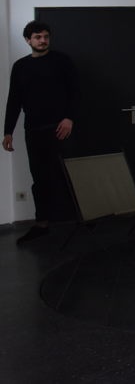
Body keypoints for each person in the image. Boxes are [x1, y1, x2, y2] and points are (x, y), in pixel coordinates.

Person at [3, 21, 78, 245]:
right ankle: (41, 224)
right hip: (34, 131)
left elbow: (75, 92)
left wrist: (69, 118)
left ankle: (83, 219)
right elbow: (14, 100)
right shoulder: (20, 66)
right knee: (39, 178)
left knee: (69, 174)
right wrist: (8, 132)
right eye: (37, 37)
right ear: (28, 40)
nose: (43, 40)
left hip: (61, 129)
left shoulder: (62, 61)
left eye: (46, 36)